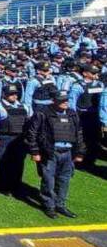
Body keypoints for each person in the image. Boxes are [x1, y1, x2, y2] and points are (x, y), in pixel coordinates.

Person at [25, 91, 86, 219]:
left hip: (68, 152)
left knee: (64, 180)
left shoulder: (72, 113)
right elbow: (32, 133)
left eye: (66, 99)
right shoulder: (42, 113)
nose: (65, 102)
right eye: (62, 100)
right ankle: (49, 206)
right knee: (48, 180)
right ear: (54, 100)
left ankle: (60, 205)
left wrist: (80, 151)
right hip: (50, 152)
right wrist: (35, 151)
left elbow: (78, 133)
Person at [0, 84, 31, 196]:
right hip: (5, 137)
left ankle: (16, 186)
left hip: (20, 139)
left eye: (15, 94)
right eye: (11, 94)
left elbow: (28, 122)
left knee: (19, 163)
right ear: (4, 94)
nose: (14, 96)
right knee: (5, 162)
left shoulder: (23, 107)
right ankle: (4, 186)